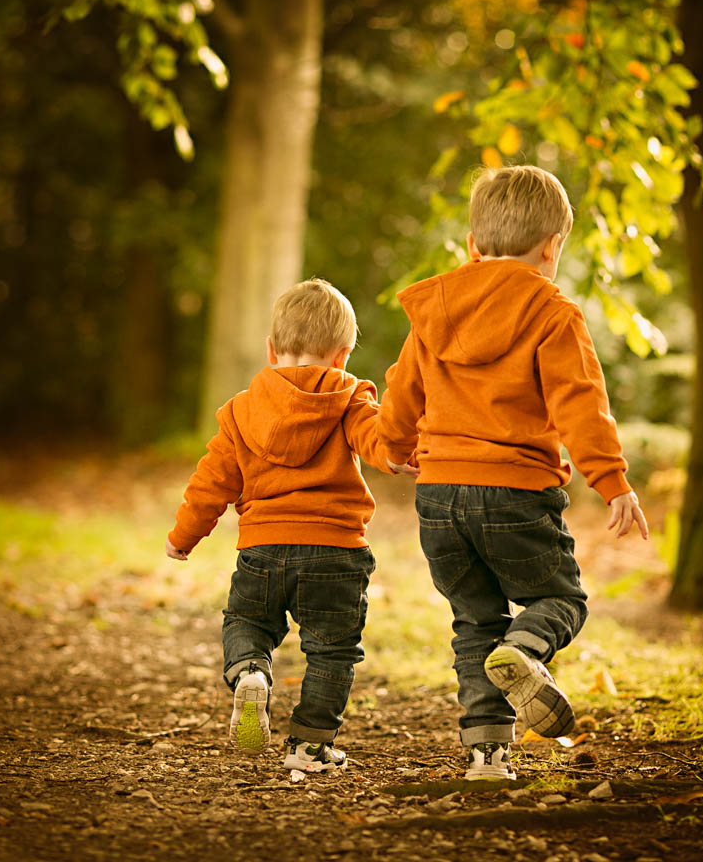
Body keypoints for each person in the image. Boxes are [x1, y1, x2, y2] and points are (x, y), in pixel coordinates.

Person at [379, 164, 649, 781]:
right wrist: (612, 481)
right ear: (552, 247)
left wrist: (392, 444)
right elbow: (580, 402)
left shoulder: (435, 308)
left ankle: (486, 758)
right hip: (516, 492)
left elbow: (403, 391)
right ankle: (526, 651)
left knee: (475, 621)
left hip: (439, 495)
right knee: (559, 598)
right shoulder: (552, 311)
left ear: (472, 244)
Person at [167, 278, 404, 773]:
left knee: (248, 622)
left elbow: (211, 481)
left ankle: (251, 670)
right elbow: (379, 442)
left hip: (263, 549)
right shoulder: (350, 398)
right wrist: (401, 455)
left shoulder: (241, 410)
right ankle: (310, 745)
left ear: (272, 350)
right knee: (332, 652)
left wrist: (183, 536)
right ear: (341, 356)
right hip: (335, 551)